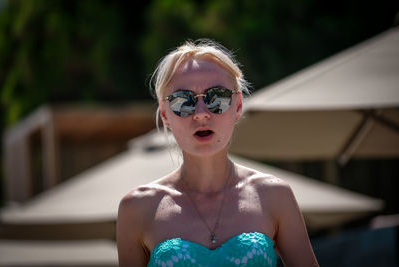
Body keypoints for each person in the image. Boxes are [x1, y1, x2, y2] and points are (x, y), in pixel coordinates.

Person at [117, 39, 319, 266]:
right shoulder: (137, 209)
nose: (201, 114)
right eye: (183, 101)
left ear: (238, 106)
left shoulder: (274, 196)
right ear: (165, 114)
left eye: (218, 97)